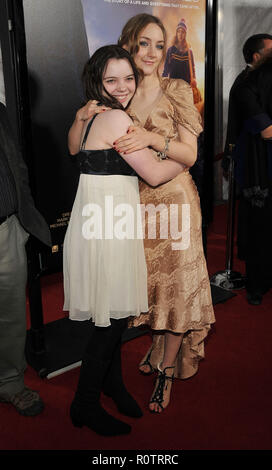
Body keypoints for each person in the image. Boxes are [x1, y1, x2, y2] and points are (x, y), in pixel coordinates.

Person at [68, 14, 215, 415]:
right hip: (135, 206)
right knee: (147, 289)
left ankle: (167, 369)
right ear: (128, 46)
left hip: (174, 201)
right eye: (142, 43)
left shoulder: (176, 89)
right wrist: (82, 116)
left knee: (177, 288)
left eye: (158, 44)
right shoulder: (120, 93)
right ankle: (149, 352)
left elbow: (191, 154)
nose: (150, 52)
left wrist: (152, 137)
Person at [64, 44, 186, 436]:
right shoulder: (115, 117)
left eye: (128, 78)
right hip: (109, 228)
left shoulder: (90, 115)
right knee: (111, 321)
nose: (122, 87)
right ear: (97, 81)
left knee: (111, 313)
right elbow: (153, 173)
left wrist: (80, 115)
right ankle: (83, 404)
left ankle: (112, 386)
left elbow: (72, 148)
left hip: (99, 223)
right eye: (111, 80)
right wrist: (184, 155)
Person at [0, 102, 51, 416]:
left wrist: (24, 217)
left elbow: (16, 165)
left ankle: (9, 382)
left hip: (6, 229)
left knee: (11, 313)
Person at [223, 34, 272, 305]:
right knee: (256, 224)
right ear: (256, 56)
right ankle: (256, 284)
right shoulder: (244, 83)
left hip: (265, 160)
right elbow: (258, 129)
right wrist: (230, 158)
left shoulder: (263, 80)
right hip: (254, 165)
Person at [162, 18, 202, 109]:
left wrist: (194, 79)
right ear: (176, 33)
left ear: (185, 34)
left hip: (185, 87)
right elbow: (166, 68)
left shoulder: (189, 51)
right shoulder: (171, 50)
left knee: (185, 111)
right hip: (173, 87)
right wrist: (164, 81)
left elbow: (193, 67)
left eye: (182, 32)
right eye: (178, 31)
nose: (180, 34)